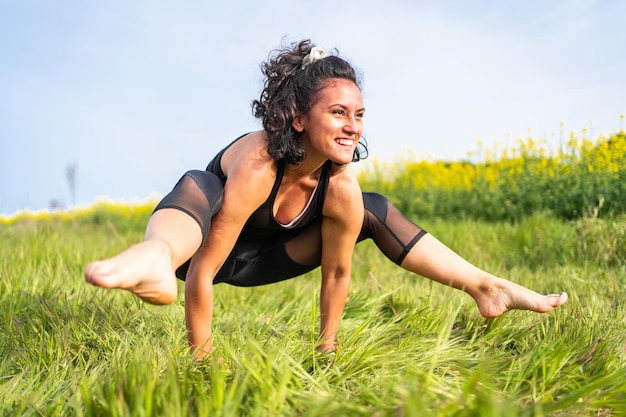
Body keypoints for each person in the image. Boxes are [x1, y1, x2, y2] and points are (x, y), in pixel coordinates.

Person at [84, 39, 567, 360]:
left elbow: (337, 273)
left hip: (263, 263)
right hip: (197, 256)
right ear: (297, 117)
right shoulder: (259, 162)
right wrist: (201, 357)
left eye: (358, 114)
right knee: (200, 181)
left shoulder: (340, 185)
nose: (352, 125)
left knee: (368, 207)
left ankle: (484, 286)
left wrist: (328, 352)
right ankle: (154, 258)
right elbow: (206, 271)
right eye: (338, 112)